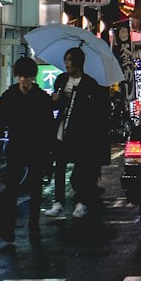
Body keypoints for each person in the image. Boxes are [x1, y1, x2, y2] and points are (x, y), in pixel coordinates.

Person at [0, 56, 55, 243]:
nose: (23, 80)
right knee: (11, 187)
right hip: (17, 145)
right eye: (20, 76)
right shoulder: (10, 96)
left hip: (37, 147)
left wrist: (49, 151)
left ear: (33, 77)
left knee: (35, 187)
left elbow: (49, 126)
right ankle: (9, 226)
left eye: (26, 76)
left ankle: (33, 225)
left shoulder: (41, 98)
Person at [45, 47, 109, 221]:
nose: (66, 63)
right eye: (65, 59)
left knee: (81, 169)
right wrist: (54, 101)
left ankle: (82, 202)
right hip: (62, 130)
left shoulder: (90, 84)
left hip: (81, 133)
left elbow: (98, 109)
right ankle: (58, 202)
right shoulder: (60, 80)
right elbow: (54, 105)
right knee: (59, 167)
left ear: (78, 62)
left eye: (69, 60)